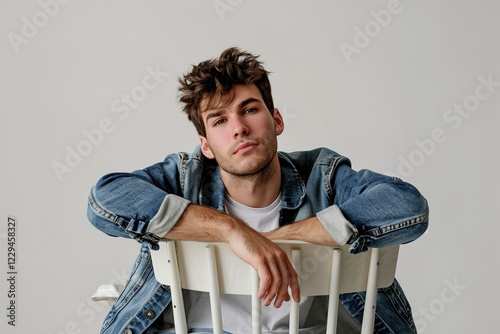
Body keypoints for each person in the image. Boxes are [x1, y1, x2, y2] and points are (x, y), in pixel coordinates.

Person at [87, 47, 429, 333]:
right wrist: (232, 231)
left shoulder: (321, 177)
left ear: (276, 120)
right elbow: (105, 200)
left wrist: (281, 238)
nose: (238, 128)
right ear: (205, 146)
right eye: (220, 120)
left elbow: (406, 206)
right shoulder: (184, 178)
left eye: (249, 110)